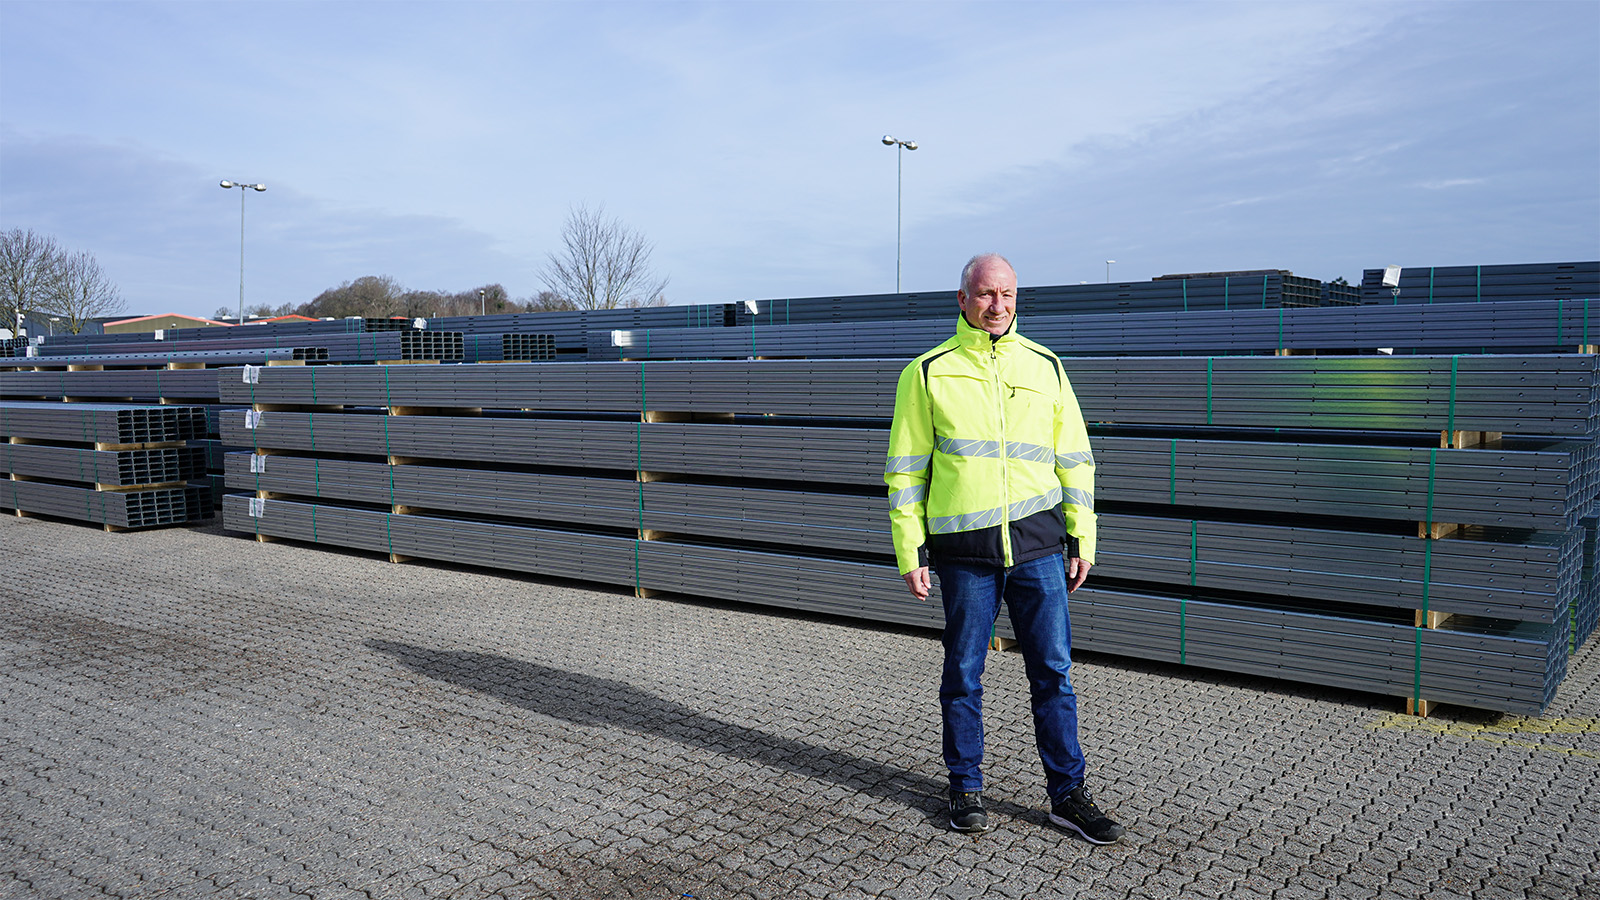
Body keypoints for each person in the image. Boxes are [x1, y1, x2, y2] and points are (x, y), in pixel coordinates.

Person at [885, 253, 1124, 843]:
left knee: (1053, 674)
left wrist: (1083, 537)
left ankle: (1067, 795)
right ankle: (965, 787)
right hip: (966, 554)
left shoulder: (1046, 366)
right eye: (987, 294)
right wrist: (911, 550)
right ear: (962, 299)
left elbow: (1076, 459)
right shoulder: (928, 372)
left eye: (1008, 294)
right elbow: (906, 471)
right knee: (964, 674)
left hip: (1039, 548)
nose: (998, 305)